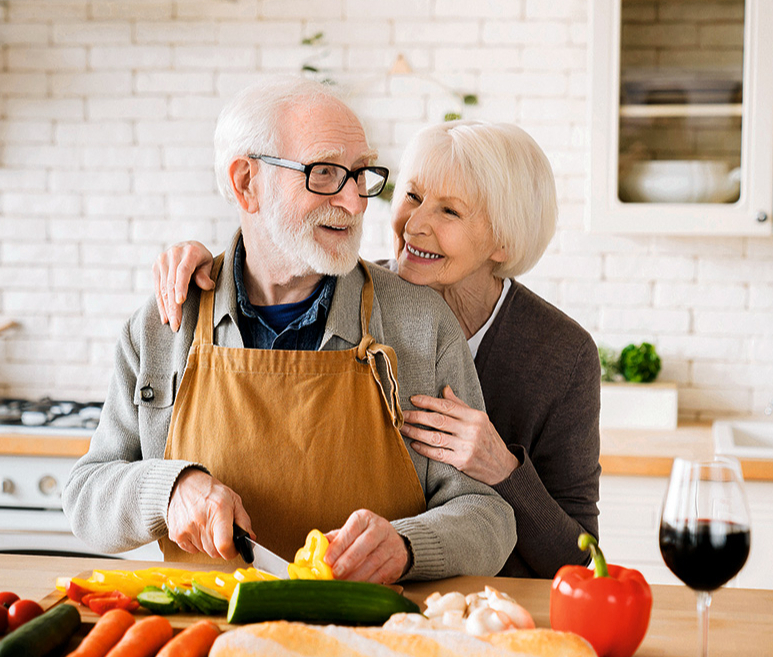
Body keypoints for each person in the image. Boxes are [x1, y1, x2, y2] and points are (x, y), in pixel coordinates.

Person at [63, 78, 517, 585]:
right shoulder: (164, 324)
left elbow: (488, 516)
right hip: (210, 626)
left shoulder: (421, 324)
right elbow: (85, 496)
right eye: (325, 173)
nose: (355, 203)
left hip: (373, 627)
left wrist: (408, 546)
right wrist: (169, 491)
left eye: (360, 174)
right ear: (246, 183)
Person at [152, 120, 601, 579]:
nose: (415, 225)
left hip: (498, 601)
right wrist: (207, 264)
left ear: (503, 240)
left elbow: (577, 556)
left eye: (449, 211)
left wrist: (503, 468)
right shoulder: (346, 292)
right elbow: (271, 254)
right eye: (413, 196)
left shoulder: (564, 355)